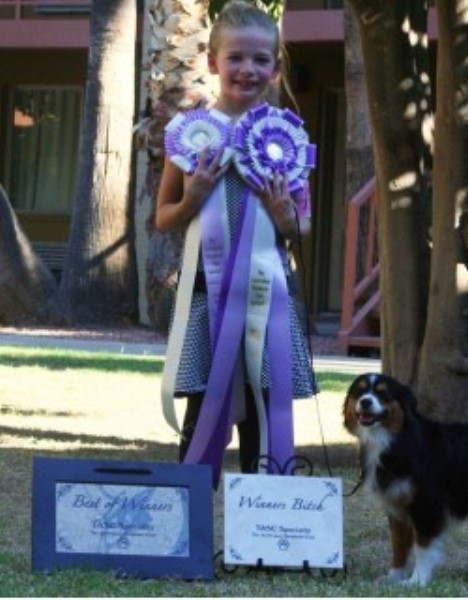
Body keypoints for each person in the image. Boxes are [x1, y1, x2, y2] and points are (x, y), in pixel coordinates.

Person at [156, 0, 317, 487]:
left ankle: (265, 530)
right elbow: (163, 217)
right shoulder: (187, 135)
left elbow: (303, 226)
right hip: (207, 294)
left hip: (269, 294)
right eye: (236, 58)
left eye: (260, 60)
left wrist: (289, 218)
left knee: (266, 410)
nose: (247, 69)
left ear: (275, 67)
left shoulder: (286, 137)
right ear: (212, 62)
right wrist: (192, 200)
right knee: (204, 408)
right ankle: (190, 513)